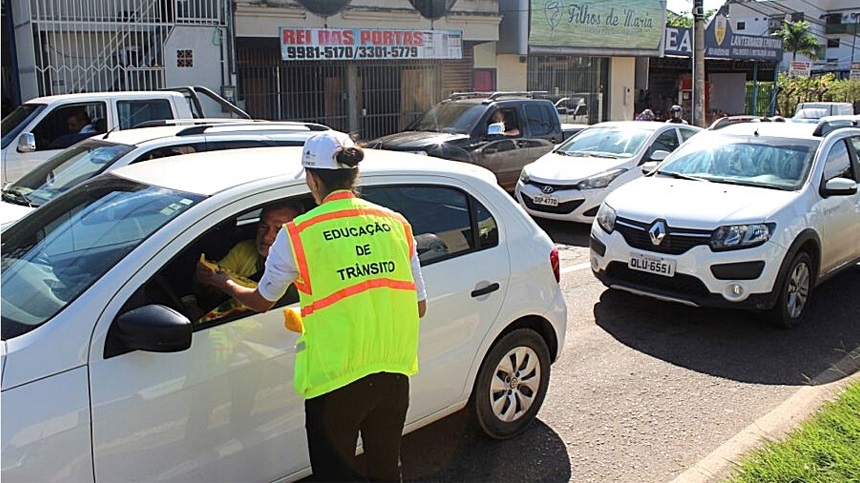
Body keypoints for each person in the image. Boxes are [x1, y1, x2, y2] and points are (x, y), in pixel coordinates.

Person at [209, 131, 427, 482]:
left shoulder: (297, 234)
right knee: (387, 469)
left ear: (312, 179)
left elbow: (262, 301)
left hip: (335, 382)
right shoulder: (396, 223)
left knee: (335, 475)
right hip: (393, 373)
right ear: (353, 175)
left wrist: (225, 283)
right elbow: (419, 306)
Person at [193, 201, 304, 321]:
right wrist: (204, 280)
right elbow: (210, 289)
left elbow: (262, 305)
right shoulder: (244, 250)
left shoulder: (302, 266)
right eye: (263, 226)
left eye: (278, 230)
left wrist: (227, 284)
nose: (267, 237)